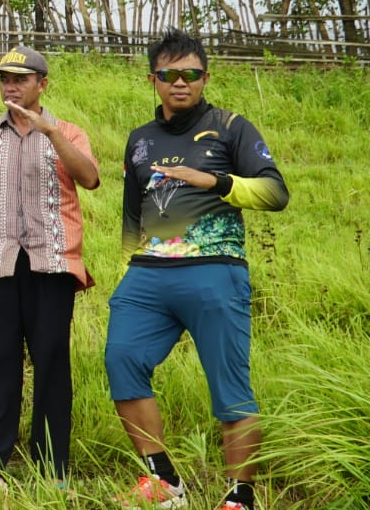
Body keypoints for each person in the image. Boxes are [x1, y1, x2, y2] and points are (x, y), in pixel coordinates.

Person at [105, 29, 288, 510]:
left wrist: (215, 180)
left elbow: (275, 193)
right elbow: (131, 211)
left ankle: (239, 496)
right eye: (169, 75)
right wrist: (129, 263)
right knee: (121, 360)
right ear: (153, 79)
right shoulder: (140, 140)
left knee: (230, 386)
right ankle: (164, 483)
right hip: (147, 275)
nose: (180, 83)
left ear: (206, 77)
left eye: (190, 74)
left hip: (215, 271)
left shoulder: (232, 128)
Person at [0, 46, 99, 485]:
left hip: (51, 263)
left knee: (52, 362)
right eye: (4, 78)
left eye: (20, 78)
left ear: (43, 84)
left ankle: (52, 467)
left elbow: (90, 178)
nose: (10, 86)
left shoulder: (69, 132)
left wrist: (50, 132)